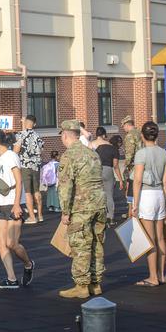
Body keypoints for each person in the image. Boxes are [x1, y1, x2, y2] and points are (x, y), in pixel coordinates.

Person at [57, 120, 107, 299]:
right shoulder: (92, 153)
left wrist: (65, 212)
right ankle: (96, 282)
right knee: (97, 243)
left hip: (81, 206)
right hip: (99, 204)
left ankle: (81, 285)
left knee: (80, 244)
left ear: (65, 135)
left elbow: (65, 187)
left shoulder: (69, 156)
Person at [0, 129, 33, 290]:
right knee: (0, 242)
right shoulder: (0, 158)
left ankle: (28, 264)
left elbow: (19, 181)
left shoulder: (11, 156)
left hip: (12, 204)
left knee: (12, 243)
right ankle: (11, 278)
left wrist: (16, 204)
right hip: (0, 204)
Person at [129, 121, 166, 287]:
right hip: (160, 193)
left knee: (149, 238)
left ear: (142, 136)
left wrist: (135, 204)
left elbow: (137, 180)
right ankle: (160, 274)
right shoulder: (164, 153)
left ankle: (152, 277)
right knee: (160, 237)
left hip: (146, 195)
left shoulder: (141, 154)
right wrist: (164, 199)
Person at [14, 115, 44, 224]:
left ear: (25, 122)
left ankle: (32, 217)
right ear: (35, 124)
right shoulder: (38, 136)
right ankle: (40, 215)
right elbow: (41, 150)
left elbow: (16, 150)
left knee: (27, 192)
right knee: (37, 190)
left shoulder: (20, 135)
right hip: (36, 166)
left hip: (25, 166)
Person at [94, 129, 120, 225]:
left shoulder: (98, 147)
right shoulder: (113, 149)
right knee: (109, 195)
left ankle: (101, 217)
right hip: (108, 170)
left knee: (100, 195)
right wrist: (120, 180)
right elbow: (116, 166)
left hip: (98, 170)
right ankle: (111, 218)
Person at [121, 116, 143, 214]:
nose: (123, 128)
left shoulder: (130, 135)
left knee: (130, 190)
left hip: (134, 167)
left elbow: (129, 154)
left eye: (123, 126)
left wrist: (126, 166)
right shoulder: (140, 133)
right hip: (143, 165)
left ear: (127, 124)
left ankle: (131, 211)